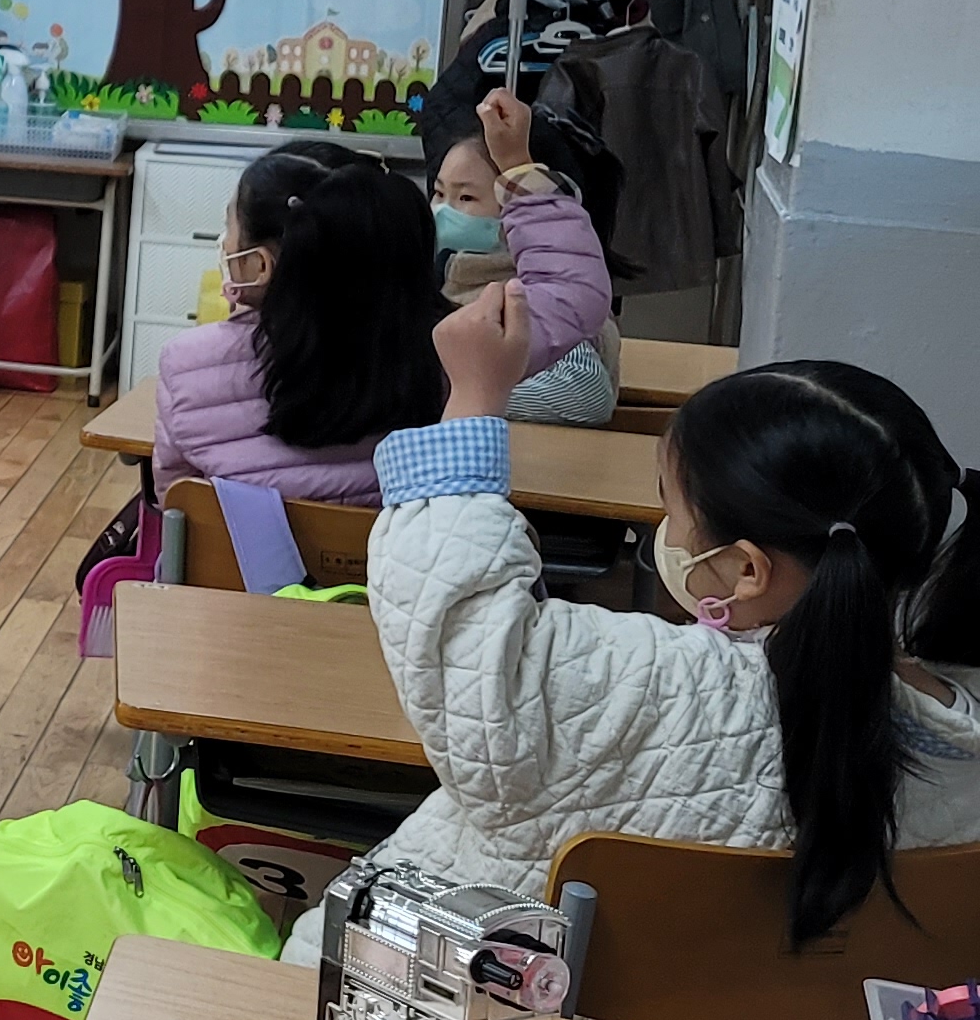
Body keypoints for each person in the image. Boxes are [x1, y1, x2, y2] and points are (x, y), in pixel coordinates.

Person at [304, 287, 980, 964]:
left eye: (673, 508)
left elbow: (463, 632)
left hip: (476, 1003)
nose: (665, 531)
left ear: (746, 571)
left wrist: (473, 400)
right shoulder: (962, 746)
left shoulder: (649, 684)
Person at [151, 92, 608, 504]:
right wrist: (517, 166)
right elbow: (573, 294)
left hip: (244, 571)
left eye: (230, 228)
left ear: (257, 265)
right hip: (402, 570)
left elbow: (179, 500)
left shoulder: (186, 368)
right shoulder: (452, 351)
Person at [415, 87, 626, 426]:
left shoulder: (526, 299)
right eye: (439, 192)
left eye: (466, 198)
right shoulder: (449, 280)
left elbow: (583, 395)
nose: (442, 210)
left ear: (516, 210)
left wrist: (464, 389)